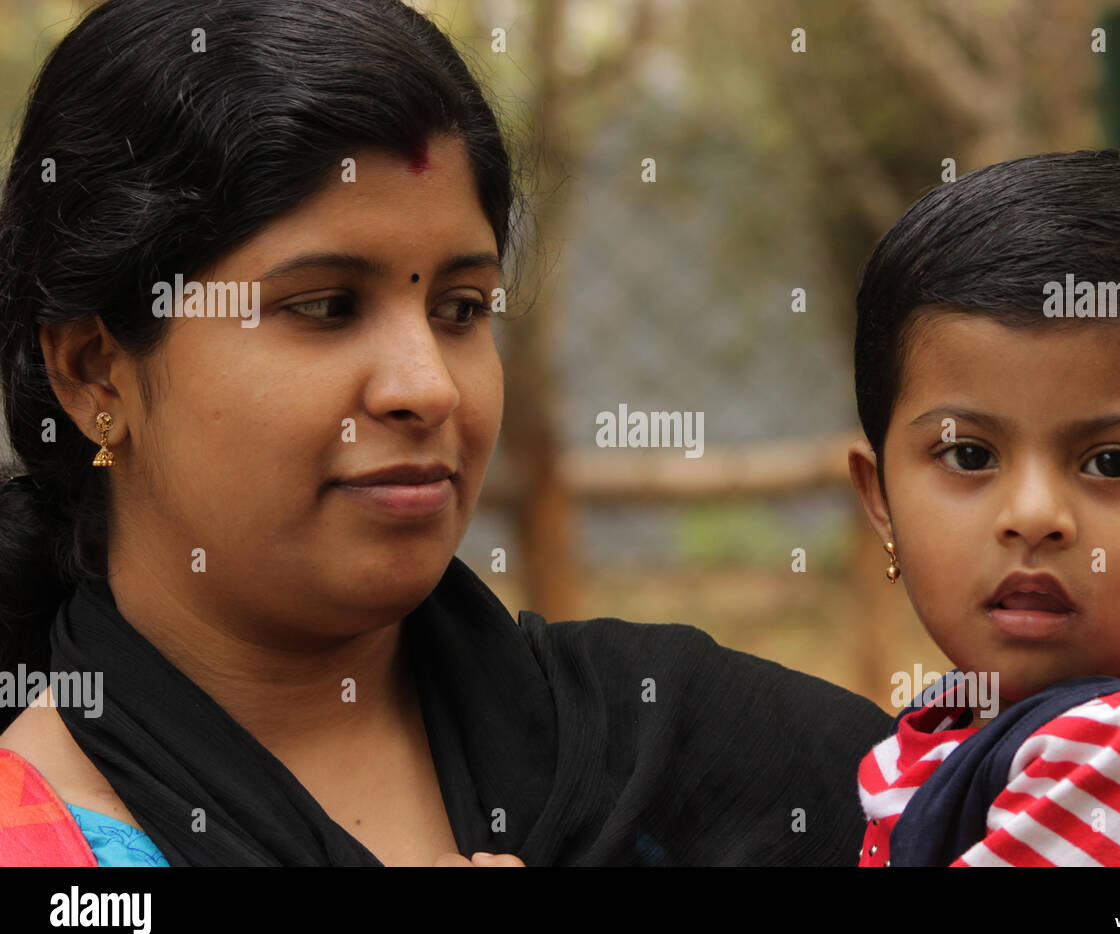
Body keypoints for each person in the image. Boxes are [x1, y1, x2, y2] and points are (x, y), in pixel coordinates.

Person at [0, 0, 893, 867]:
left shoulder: (685, 749)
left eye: (460, 309)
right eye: (325, 307)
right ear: (92, 371)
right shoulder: (37, 838)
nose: (428, 387)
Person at [845, 150, 1120, 866]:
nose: (1032, 516)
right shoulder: (973, 715)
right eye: (969, 456)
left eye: (1112, 463)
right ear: (882, 501)